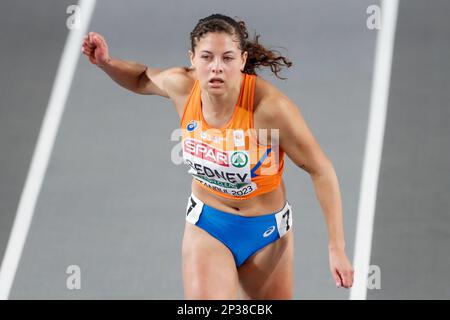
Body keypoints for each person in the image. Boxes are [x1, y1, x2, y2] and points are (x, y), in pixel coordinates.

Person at [81, 13, 354, 300]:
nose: (216, 68)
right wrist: (106, 63)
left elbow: (321, 169)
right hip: (209, 226)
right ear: (192, 59)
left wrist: (336, 248)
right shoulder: (182, 87)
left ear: (243, 60)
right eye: (207, 57)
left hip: (267, 235)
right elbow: (140, 77)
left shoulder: (270, 110)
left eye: (227, 58)